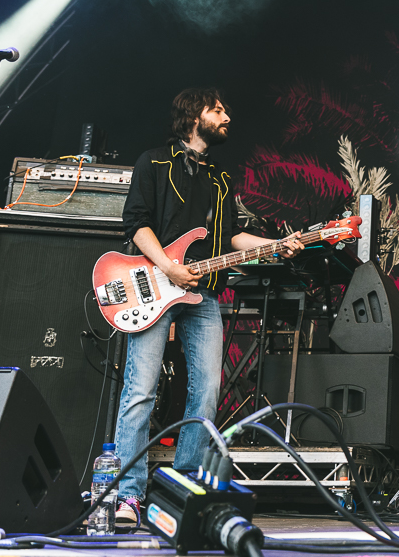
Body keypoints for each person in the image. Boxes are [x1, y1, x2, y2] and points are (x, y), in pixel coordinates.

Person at [112, 88, 298, 524]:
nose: (227, 115)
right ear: (194, 116)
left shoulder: (220, 178)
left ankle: (183, 488)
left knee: (208, 393)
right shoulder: (154, 162)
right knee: (141, 390)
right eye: (218, 109)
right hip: (155, 286)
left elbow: (231, 237)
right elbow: (136, 223)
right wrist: (169, 268)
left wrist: (276, 246)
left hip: (204, 295)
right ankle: (129, 495)